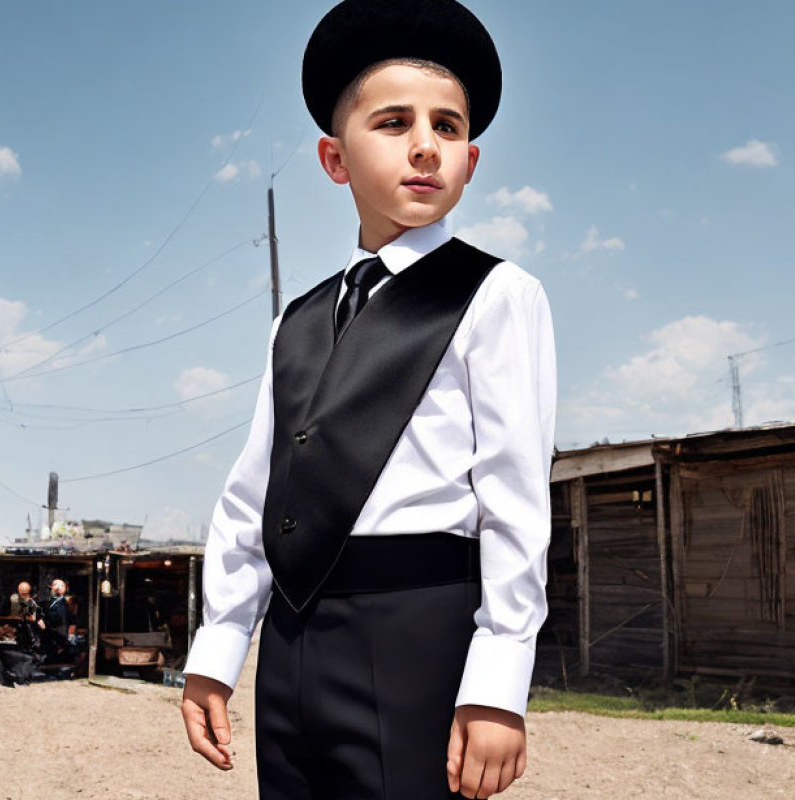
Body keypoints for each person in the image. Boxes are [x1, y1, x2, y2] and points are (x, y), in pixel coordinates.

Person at [181, 1, 556, 798]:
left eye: (448, 128)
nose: (426, 146)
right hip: (293, 634)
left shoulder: (496, 294)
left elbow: (516, 498)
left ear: (471, 160)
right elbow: (256, 492)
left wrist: (497, 680)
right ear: (334, 158)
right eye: (393, 122)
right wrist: (218, 650)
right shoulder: (298, 318)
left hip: (416, 628)